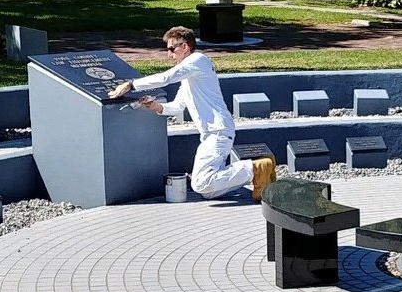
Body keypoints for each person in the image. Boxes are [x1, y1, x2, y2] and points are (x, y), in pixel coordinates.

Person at [108, 26, 276, 200]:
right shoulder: (190, 76)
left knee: (199, 183)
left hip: (217, 132)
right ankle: (257, 173)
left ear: (185, 47)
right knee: (208, 191)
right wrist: (156, 106)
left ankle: (256, 169)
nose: (169, 55)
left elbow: (166, 78)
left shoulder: (198, 60)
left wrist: (131, 84)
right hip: (213, 133)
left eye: (172, 49)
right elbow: (178, 107)